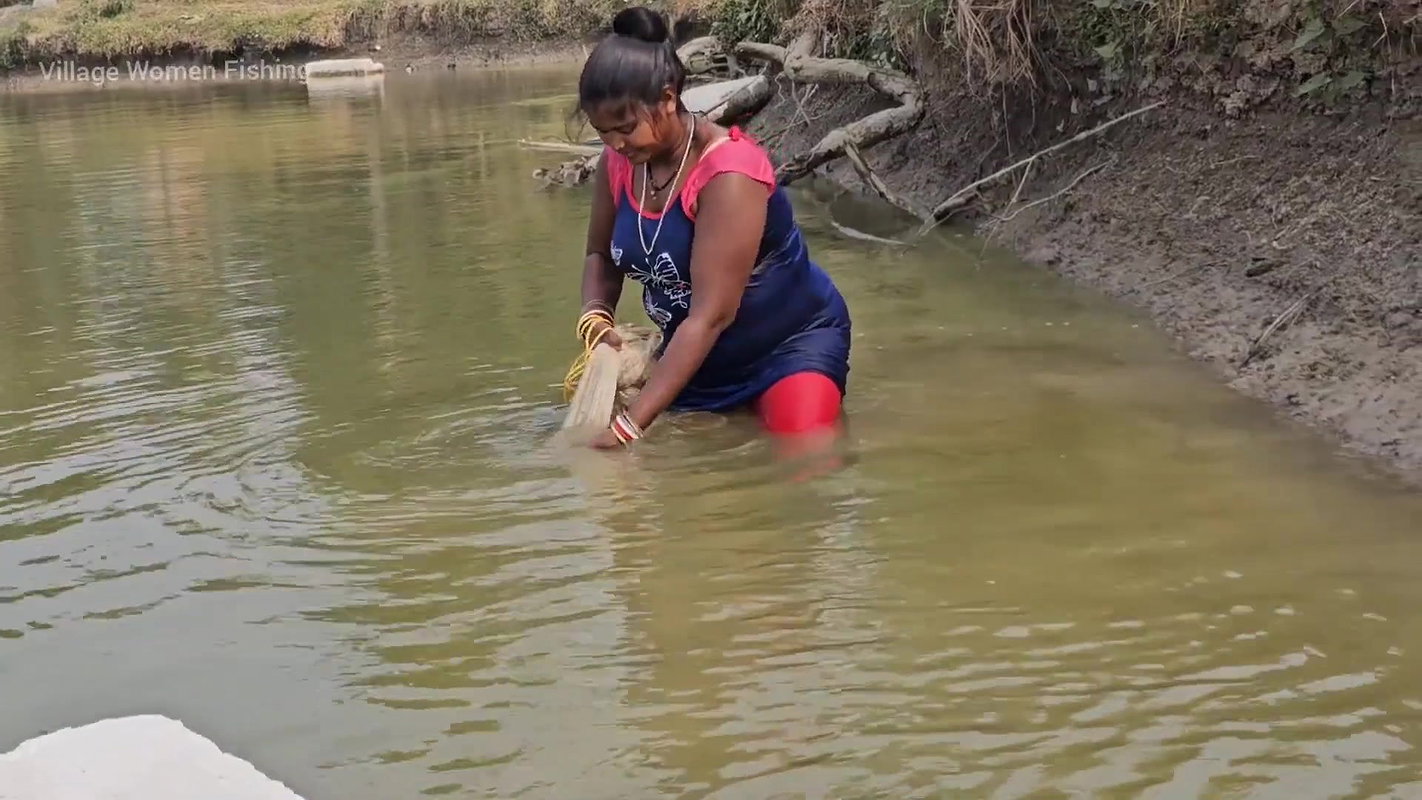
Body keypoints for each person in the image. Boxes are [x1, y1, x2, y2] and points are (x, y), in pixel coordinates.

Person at [575, 6, 852, 450]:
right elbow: (600, 255)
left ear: (667, 99)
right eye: (603, 132)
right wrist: (595, 317)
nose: (614, 144)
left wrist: (626, 429)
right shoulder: (622, 162)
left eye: (624, 128)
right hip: (694, 359)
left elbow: (711, 315)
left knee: (805, 458)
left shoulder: (729, 173)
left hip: (783, 349)